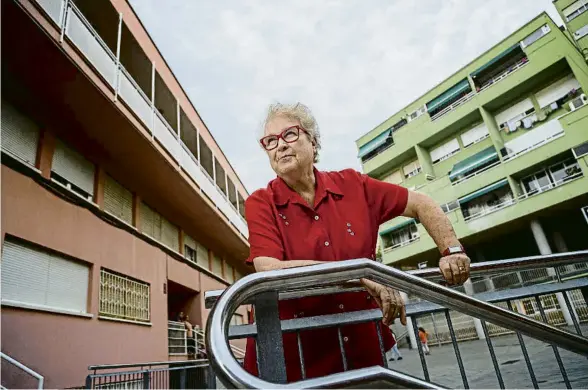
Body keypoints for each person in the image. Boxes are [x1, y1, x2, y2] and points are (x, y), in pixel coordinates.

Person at [243, 102, 471, 382]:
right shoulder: (260, 202)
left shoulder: (353, 185)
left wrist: (452, 250)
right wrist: (358, 276)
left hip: (361, 348)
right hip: (293, 359)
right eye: (270, 141)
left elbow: (421, 203)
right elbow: (268, 268)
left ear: (313, 142)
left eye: (289, 134)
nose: (280, 145)